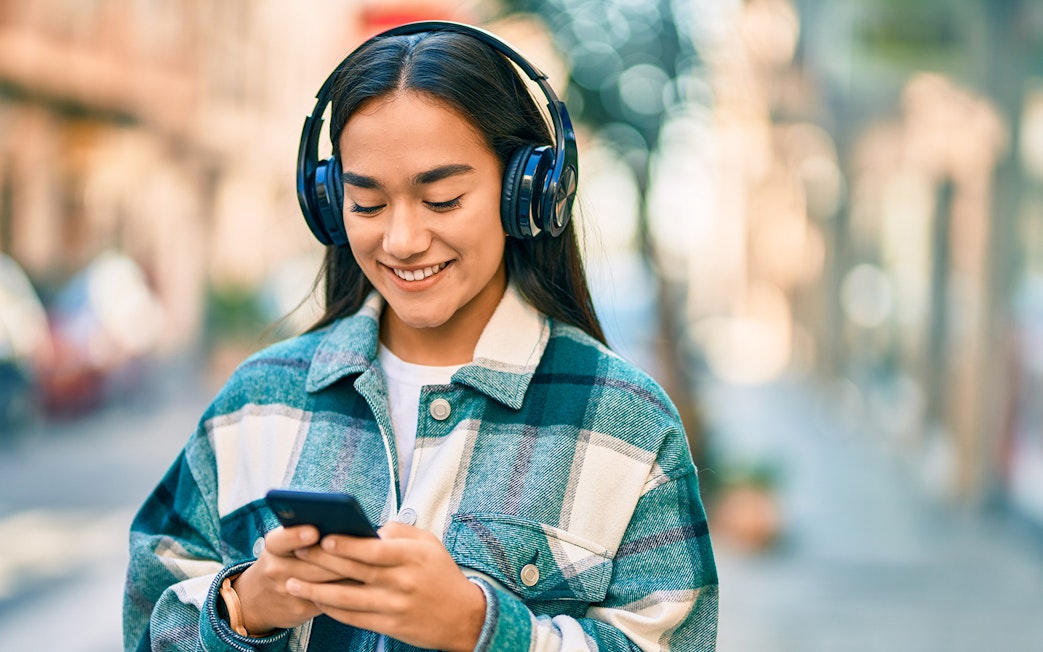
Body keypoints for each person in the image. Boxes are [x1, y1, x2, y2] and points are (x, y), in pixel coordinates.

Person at [123, 21, 718, 652]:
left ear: (526, 194)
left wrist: (480, 630)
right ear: (329, 203)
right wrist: (245, 607)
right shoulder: (253, 403)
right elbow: (147, 625)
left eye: (442, 199)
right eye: (369, 205)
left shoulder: (628, 422)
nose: (402, 241)